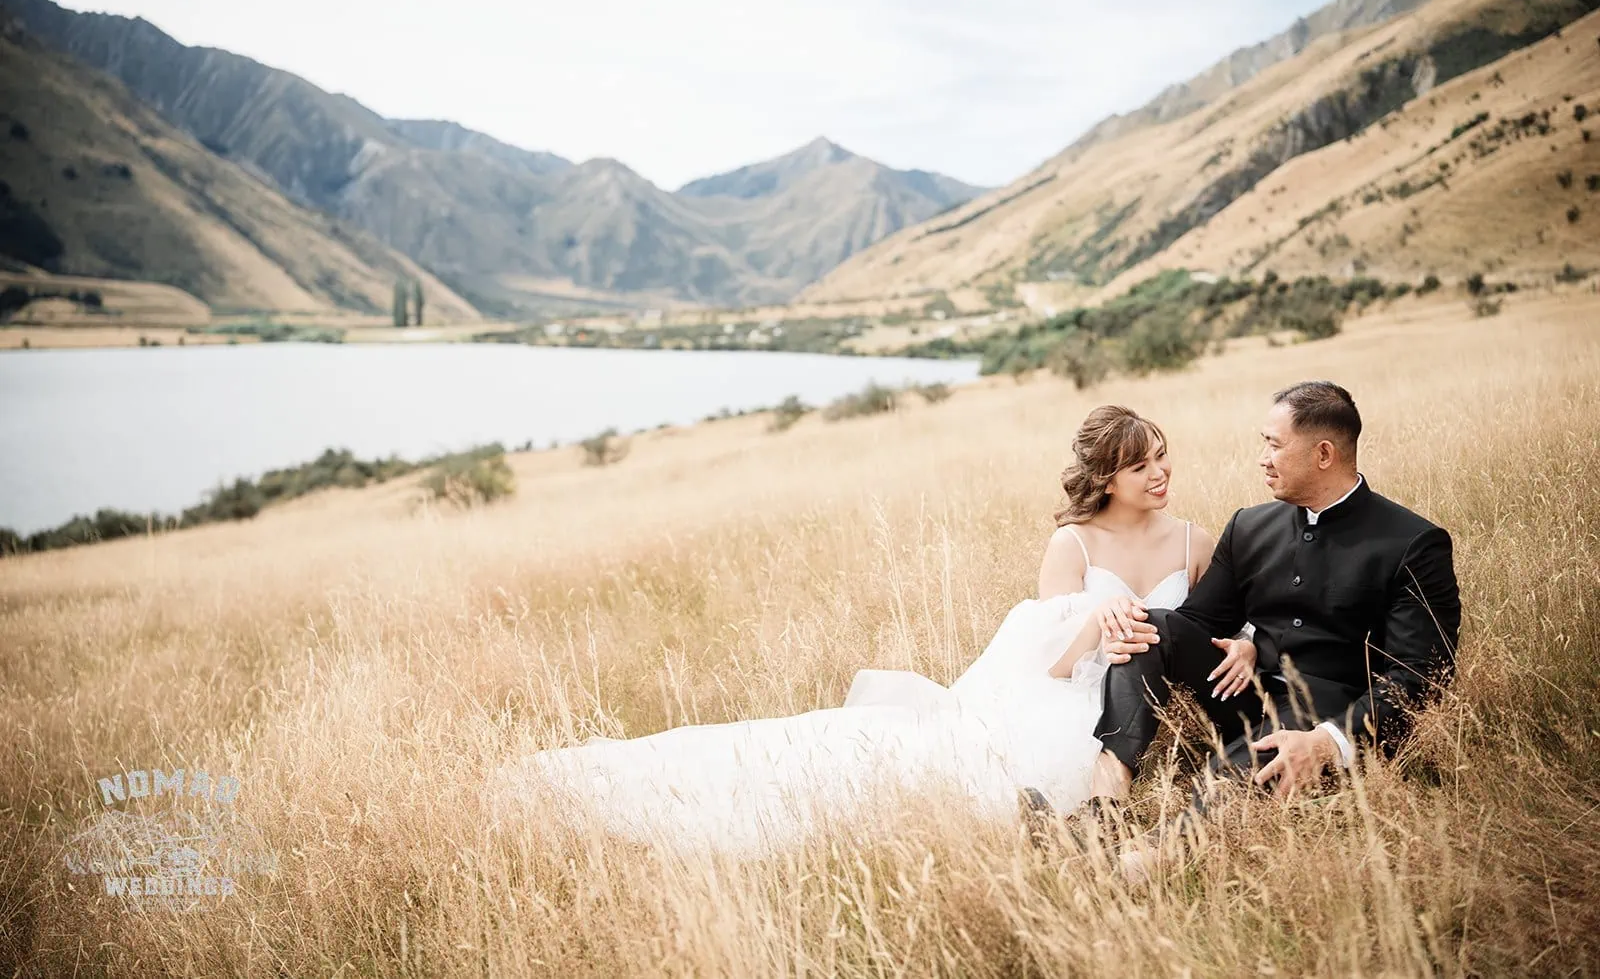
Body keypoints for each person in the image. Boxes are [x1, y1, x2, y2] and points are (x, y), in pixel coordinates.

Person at [490, 405, 1246, 854]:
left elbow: (1217, 623)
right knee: (896, 771)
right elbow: (1044, 661)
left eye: (1164, 458)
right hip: (1068, 701)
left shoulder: (1193, 541)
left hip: (1147, 703)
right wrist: (1094, 624)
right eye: (1144, 463)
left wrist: (1241, 641)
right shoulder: (1072, 546)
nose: (1162, 472)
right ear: (1107, 477)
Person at [1084, 381, 1460, 832]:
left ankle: (1147, 858)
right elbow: (1197, 623)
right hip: (1241, 696)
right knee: (1153, 626)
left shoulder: (1412, 544)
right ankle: (1103, 812)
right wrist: (1241, 644)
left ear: (1324, 455)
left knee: (1223, 784)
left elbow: (1418, 677)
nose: (1263, 458)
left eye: (1274, 445)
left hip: (1324, 715)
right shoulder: (1250, 525)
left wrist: (1326, 742)